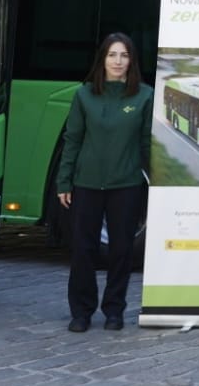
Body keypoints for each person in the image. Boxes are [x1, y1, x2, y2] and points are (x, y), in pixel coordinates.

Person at [56, 33, 153, 332]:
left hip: (126, 185)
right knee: (83, 249)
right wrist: (64, 181)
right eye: (112, 55)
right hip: (87, 183)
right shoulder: (84, 95)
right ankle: (81, 312)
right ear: (103, 59)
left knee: (122, 250)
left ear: (131, 61)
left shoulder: (145, 95)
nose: (118, 61)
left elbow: (147, 144)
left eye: (124, 55)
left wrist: (160, 184)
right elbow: (72, 139)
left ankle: (114, 310)